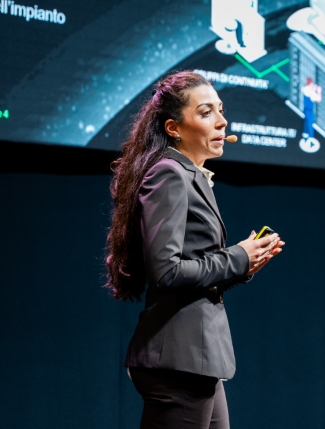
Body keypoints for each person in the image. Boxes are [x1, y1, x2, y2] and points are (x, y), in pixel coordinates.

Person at [104, 71, 284, 429]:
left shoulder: (190, 176)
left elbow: (194, 272)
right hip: (178, 359)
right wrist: (238, 256)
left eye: (221, 110)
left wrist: (245, 265)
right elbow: (167, 271)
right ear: (174, 128)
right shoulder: (169, 174)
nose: (222, 121)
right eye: (206, 112)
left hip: (195, 358)